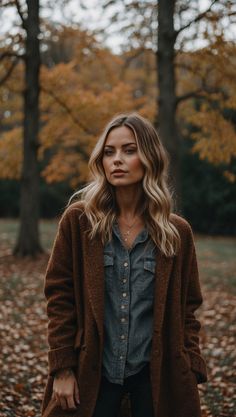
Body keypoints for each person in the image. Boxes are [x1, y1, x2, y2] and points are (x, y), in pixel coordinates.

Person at [41, 113, 208, 417]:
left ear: (150, 158)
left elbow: (188, 308)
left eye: (129, 150)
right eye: (109, 152)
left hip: (155, 378)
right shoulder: (79, 222)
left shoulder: (176, 232)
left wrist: (188, 367)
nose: (117, 160)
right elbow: (59, 298)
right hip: (93, 374)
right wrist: (62, 367)